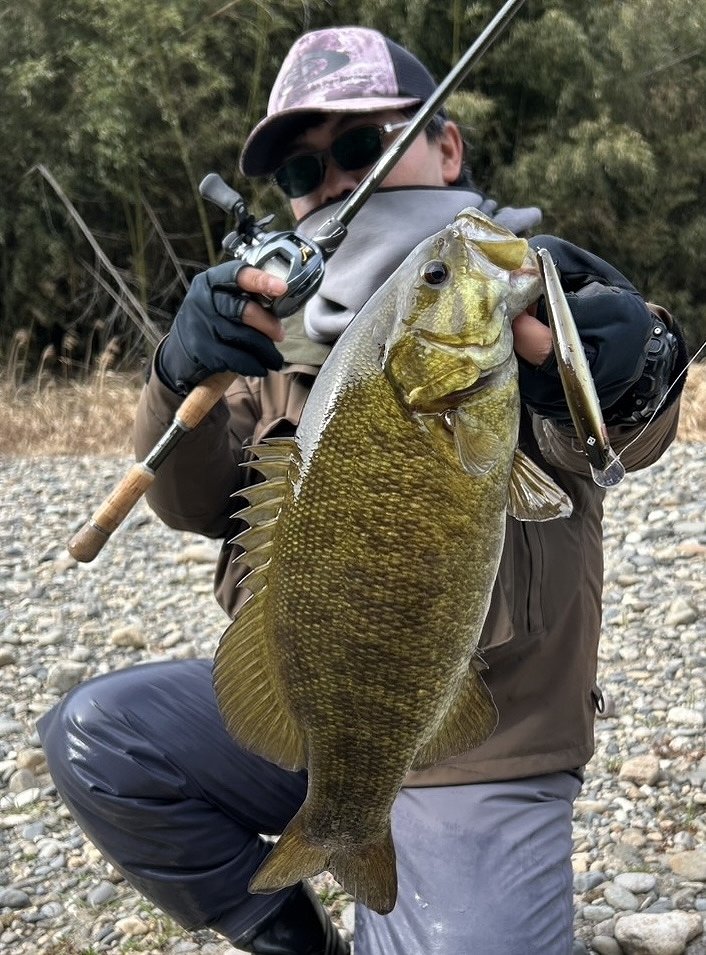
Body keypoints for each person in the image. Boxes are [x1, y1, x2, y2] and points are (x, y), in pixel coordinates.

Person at [39, 26, 687, 955]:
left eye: (360, 145)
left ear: (447, 146)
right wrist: (176, 372)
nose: (337, 179)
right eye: (305, 170)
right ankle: (303, 934)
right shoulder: (273, 334)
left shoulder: (533, 292)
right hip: (320, 713)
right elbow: (188, 503)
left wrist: (625, 367)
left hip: (484, 746)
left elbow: (624, 427)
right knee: (101, 735)